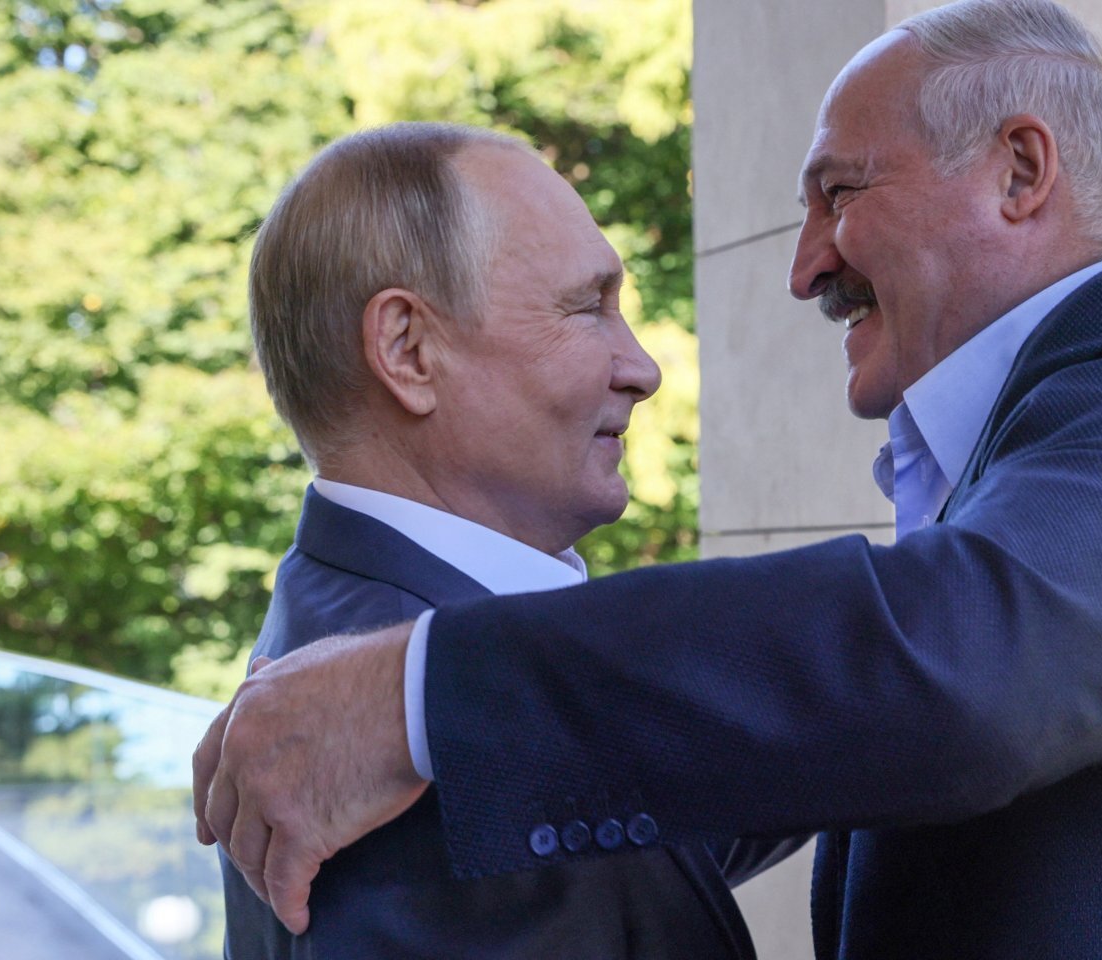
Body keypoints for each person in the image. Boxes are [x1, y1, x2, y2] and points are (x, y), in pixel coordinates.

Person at [196, 2, 1102, 956]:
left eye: (839, 193)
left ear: (1020, 171)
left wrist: (425, 697)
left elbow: (958, 674)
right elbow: (825, 735)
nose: (804, 267)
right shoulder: (1030, 466)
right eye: (585, 307)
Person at [217, 121, 769, 959]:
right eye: (587, 308)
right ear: (408, 350)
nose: (643, 368)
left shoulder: (352, 629)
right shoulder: (415, 762)